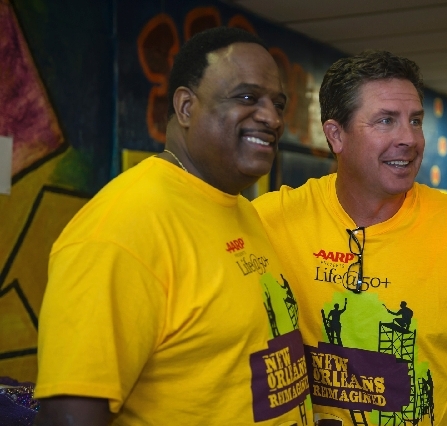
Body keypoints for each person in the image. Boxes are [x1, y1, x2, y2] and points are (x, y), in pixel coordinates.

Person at [34, 27, 310, 425]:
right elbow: (68, 417)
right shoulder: (120, 229)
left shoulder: (240, 209)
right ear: (185, 107)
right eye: (247, 98)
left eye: (277, 103)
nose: (272, 118)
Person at [253, 50, 447, 425]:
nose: (409, 138)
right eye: (386, 120)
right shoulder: (270, 220)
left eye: (415, 121)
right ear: (336, 135)